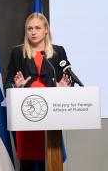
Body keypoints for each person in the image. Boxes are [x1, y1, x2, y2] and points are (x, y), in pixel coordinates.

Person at [5, 13, 70, 171]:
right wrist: (16, 87)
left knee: (48, 160)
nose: (33, 32)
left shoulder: (58, 52)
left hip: (51, 116)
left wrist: (62, 87)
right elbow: (8, 82)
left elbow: (68, 80)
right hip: (27, 114)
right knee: (27, 163)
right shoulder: (18, 52)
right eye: (29, 28)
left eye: (37, 28)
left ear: (46, 30)